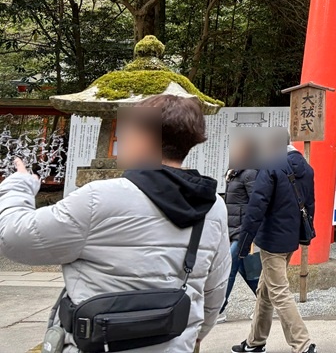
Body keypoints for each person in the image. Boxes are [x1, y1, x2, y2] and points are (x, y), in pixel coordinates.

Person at [0, 93, 230, 353]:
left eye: (126, 131)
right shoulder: (214, 206)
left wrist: (18, 187)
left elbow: (13, 239)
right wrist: (194, 337)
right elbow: (215, 289)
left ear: (147, 138)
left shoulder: (99, 197)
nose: (119, 138)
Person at [232, 132, 317, 353]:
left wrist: (243, 244)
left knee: (278, 291)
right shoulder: (306, 168)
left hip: (271, 240)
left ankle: (303, 344)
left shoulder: (270, 167)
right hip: (290, 239)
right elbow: (310, 204)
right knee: (265, 290)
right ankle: (255, 342)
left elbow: (256, 208)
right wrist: (304, 236)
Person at [220, 137, 261, 320]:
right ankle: (265, 304)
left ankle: (218, 309)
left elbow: (256, 202)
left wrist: (251, 230)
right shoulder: (235, 172)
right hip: (233, 229)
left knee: (228, 268)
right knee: (248, 272)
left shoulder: (250, 172)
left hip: (243, 231)